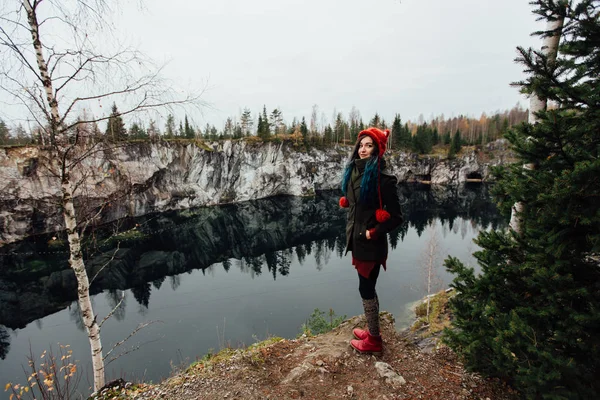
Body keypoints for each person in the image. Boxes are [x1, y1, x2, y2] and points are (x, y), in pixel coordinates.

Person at [339, 127, 403, 355]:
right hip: (355, 239)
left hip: (370, 243)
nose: (363, 149)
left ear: (378, 149)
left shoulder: (384, 180)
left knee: (366, 288)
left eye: (369, 145)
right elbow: (355, 204)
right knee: (367, 287)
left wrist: (372, 232)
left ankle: (374, 340)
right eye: (361, 145)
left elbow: (397, 217)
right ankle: (372, 330)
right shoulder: (354, 171)